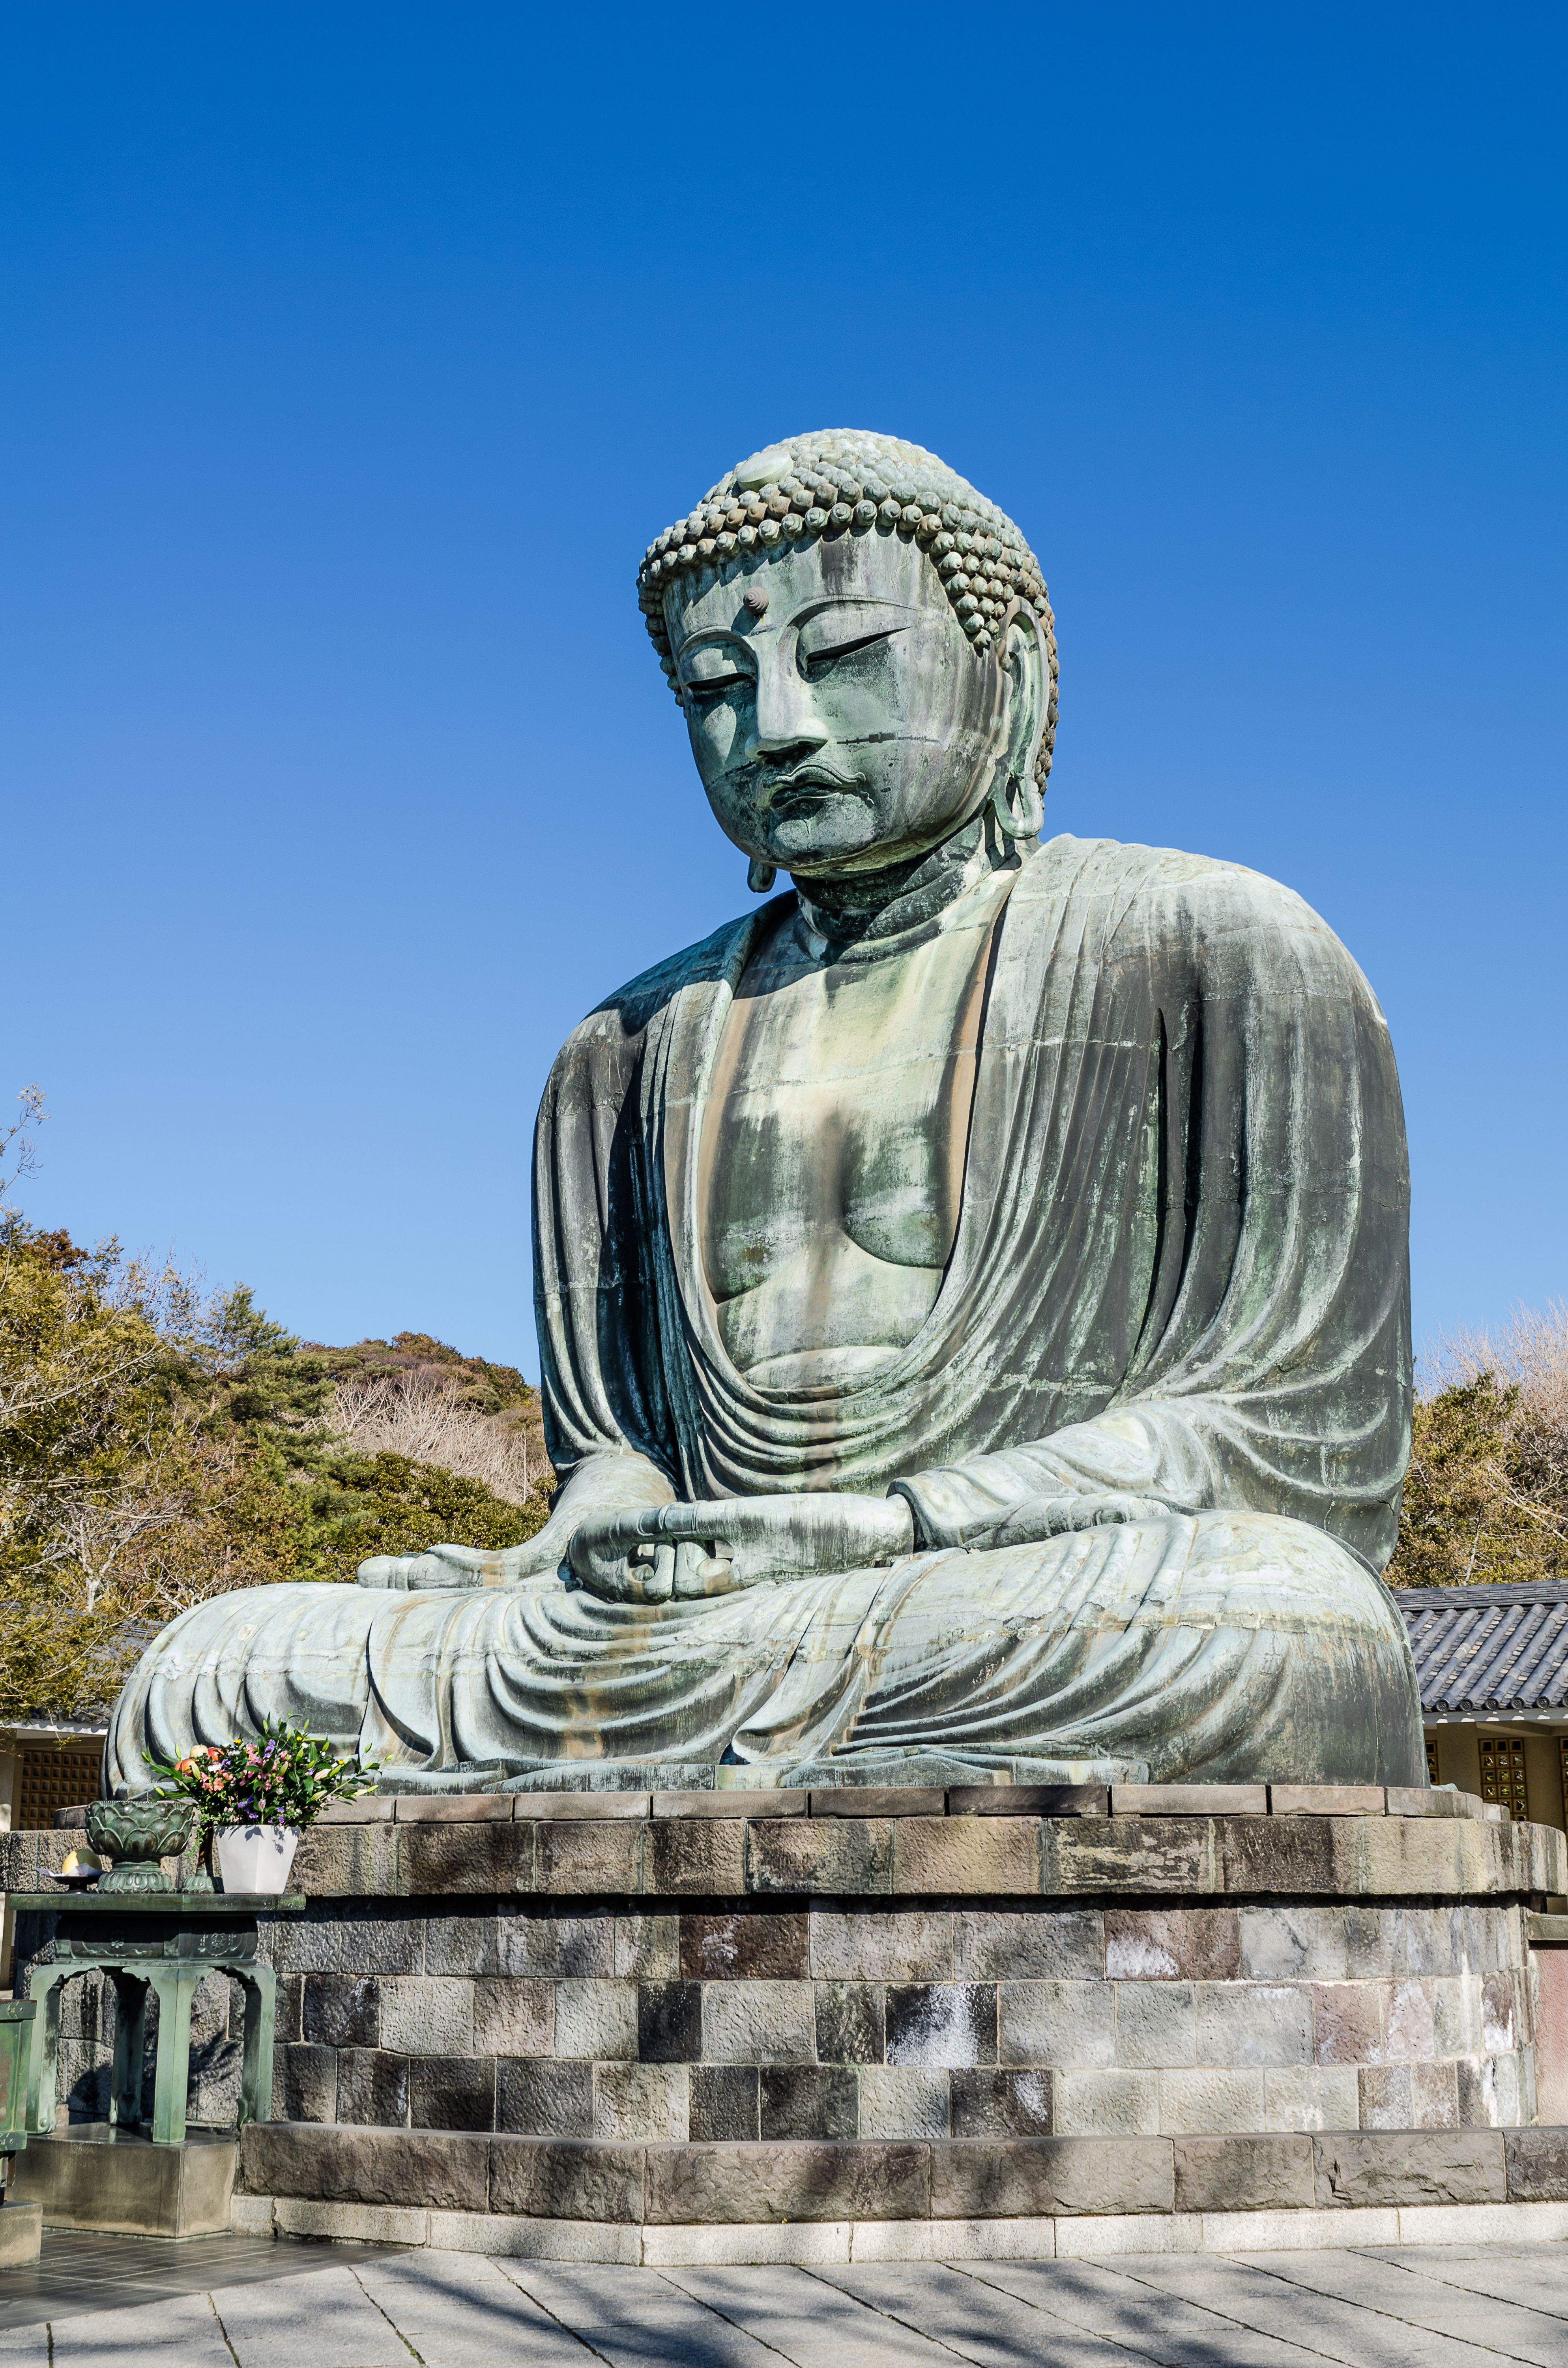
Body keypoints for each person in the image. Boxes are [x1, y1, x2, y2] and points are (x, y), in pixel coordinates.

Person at [106, 431, 1425, 1795]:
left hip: (1009, 1587)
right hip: (702, 1616)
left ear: (1014, 669)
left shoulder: (1216, 949)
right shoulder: (617, 1054)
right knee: (210, 1675)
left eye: (844, 654)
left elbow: (1294, 1441)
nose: (779, 728)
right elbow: (624, 1450)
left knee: (1277, 1625)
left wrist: (884, 1526)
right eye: (718, 688)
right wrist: (590, 1526)